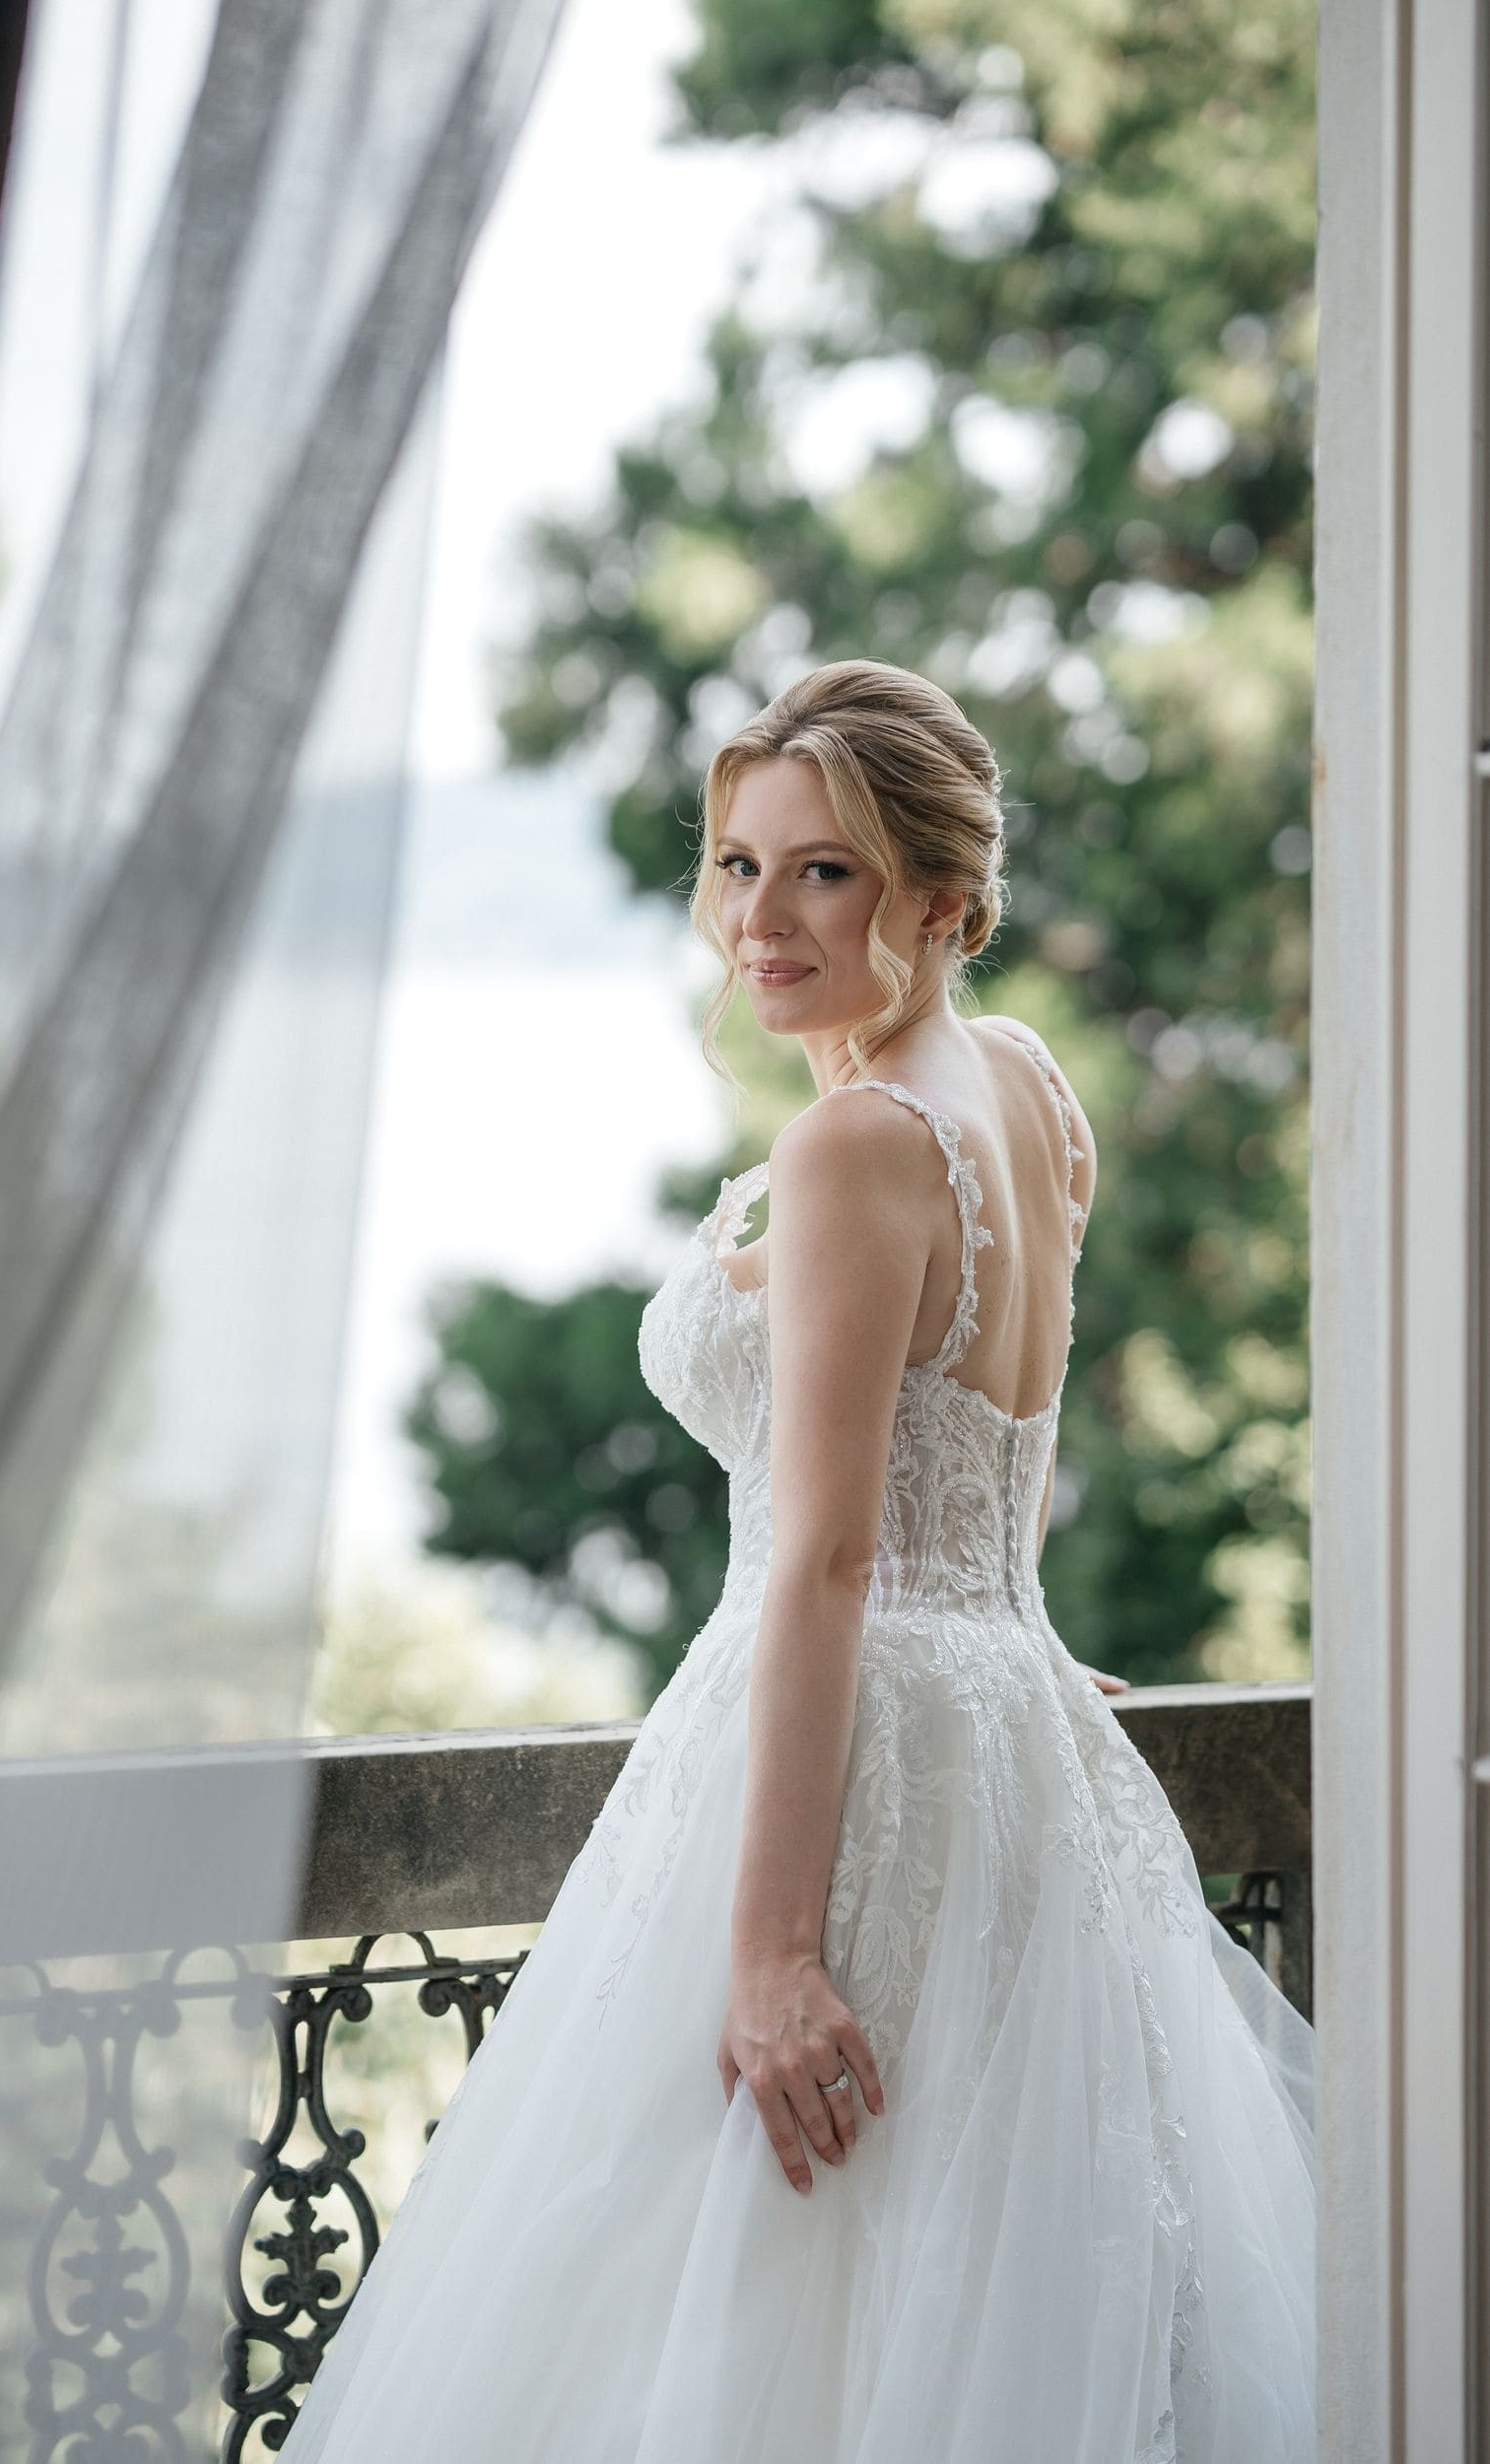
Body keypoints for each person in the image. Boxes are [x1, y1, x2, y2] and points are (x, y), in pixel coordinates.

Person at [284, 659, 1316, 2461]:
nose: (759, 919)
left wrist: (766, 1954)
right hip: (999, 1733)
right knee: (958, 2269)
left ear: (943, 901)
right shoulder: (1023, 1086)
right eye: (738, 865)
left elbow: (832, 1558)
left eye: (822, 872)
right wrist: (998, 1622)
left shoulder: (855, 1144)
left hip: (848, 1772)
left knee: (782, 2281)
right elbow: (980, 1450)